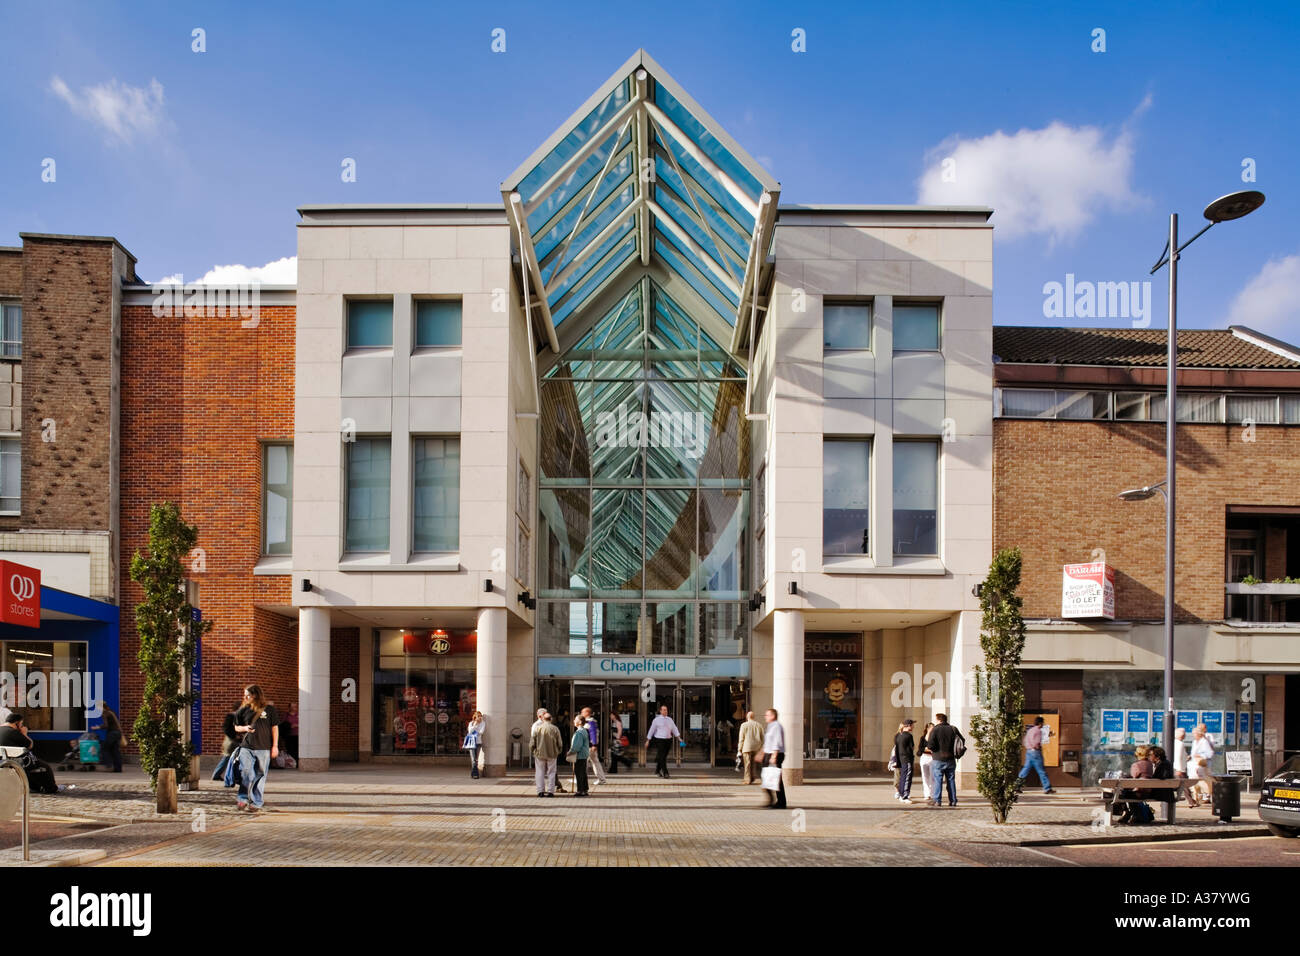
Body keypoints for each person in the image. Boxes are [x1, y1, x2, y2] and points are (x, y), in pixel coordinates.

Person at [232, 684, 279, 812]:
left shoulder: (269, 710)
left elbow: (274, 728)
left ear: (255, 695)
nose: (245, 696)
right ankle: (242, 799)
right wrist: (245, 728)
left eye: (248, 694)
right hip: (246, 747)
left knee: (260, 774)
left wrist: (275, 746)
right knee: (246, 773)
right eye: (244, 694)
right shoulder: (243, 709)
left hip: (264, 748)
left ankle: (256, 802)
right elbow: (236, 727)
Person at [0, 712, 59, 793]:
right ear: (16, 723)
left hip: (3, 762)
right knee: (46, 767)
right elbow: (30, 745)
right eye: (21, 724)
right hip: (17, 763)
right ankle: (50, 788)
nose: (22, 726)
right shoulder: (13, 732)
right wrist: (24, 734)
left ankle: (35, 787)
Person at [926, 713, 963, 807]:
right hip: (951, 758)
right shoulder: (953, 729)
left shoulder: (935, 729)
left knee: (938, 780)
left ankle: (937, 800)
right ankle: (953, 801)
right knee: (951, 780)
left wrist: (935, 750)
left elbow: (930, 745)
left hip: (938, 758)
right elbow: (962, 741)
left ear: (938, 720)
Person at [756, 708, 787, 809]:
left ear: (773, 716)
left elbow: (777, 742)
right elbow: (768, 742)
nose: (765, 716)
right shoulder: (770, 726)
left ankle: (781, 802)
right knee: (766, 777)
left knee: (775, 778)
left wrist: (774, 756)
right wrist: (761, 753)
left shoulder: (777, 726)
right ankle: (771, 800)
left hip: (775, 754)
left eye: (767, 715)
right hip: (768, 754)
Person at [1017, 716, 1055, 794]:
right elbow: (1036, 742)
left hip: (1029, 752)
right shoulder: (1038, 731)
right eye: (1042, 723)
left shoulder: (1030, 730)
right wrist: (1038, 747)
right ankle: (1047, 788)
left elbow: (1025, 741)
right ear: (1040, 723)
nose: (1043, 725)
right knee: (1041, 771)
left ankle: (1017, 786)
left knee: (1025, 770)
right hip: (1036, 753)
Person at [530, 709, 563, 797]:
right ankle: (551, 791)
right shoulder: (555, 728)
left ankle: (540, 791)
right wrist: (558, 751)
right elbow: (560, 743)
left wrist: (534, 751)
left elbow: (532, 742)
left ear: (543, 719)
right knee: (551, 772)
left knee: (539, 772)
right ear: (551, 719)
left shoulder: (537, 728)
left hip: (540, 754)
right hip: (552, 754)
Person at [645, 705, 681, 779]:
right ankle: (665, 772)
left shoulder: (670, 719)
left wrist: (679, 738)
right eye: (664, 710)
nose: (665, 711)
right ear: (660, 711)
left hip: (668, 740)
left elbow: (674, 728)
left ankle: (657, 770)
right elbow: (651, 730)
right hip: (659, 739)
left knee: (663, 756)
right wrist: (648, 740)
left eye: (666, 710)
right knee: (662, 756)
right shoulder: (656, 720)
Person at [92, 701, 124, 773]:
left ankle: (108, 764)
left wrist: (97, 727)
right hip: (117, 733)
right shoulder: (111, 712)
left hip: (112, 734)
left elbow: (106, 725)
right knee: (115, 751)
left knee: (104, 748)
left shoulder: (105, 714)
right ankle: (118, 768)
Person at [579, 707, 606, 786]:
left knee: (584, 762)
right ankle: (601, 779)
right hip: (589, 746)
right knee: (594, 762)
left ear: (587, 713)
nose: (581, 713)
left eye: (582, 712)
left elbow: (593, 734)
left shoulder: (590, 722)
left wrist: (594, 744)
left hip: (589, 746)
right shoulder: (589, 722)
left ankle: (579, 779)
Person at [737, 711, 765, 785]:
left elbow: (741, 738)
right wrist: (761, 747)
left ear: (747, 717)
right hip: (756, 747)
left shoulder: (744, 725)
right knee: (753, 764)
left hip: (747, 747)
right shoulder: (759, 725)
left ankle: (747, 779)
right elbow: (763, 738)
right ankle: (753, 777)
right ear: (754, 717)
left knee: (747, 764)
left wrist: (739, 749)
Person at [894, 719, 916, 803]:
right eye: (912, 725)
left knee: (902, 777)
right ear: (908, 726)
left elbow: (896, 748)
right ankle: (904, 796)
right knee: (907, 777)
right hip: (907, 758)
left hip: (900, 759)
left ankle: (901, 793)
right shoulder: (909, 736)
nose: (913, 727)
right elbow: (912, 747)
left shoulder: (898, 735)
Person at [570, 715, 591, 796]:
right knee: (583, 772)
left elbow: (576, 746)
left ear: (580, 722)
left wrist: (570, 752)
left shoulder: (579, 732)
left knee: (579, 772)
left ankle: (580, 790)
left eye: (575, 719)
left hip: (580, 755)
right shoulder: (584, 731)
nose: (574, 721)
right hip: (584, 754)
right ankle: (585, 789)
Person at [464, 710, 485, 779]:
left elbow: (481, 732)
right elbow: (470, 731)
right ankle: (476, 774)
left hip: (478, 743)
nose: (480, 718)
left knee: (476, 759)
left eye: (480, 716)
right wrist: (475, 725)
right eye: (478, 716)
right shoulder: (471, 723)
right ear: (475, 717)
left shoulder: (483, 723)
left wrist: (475, 730)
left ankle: (473, 774)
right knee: (473, 759)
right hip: (471, 742)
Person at [917, 722, 936, 802]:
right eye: (932, 728)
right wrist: (926, 749)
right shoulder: (923, 738)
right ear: (927, 728)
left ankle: (932, 794)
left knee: (932, 777)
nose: (933, 729)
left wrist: (927, 749)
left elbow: (935, 748)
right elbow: (920, 748)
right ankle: (927, 794)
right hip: (924, 757)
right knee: (925, 776)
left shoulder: (935, 738)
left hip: (932, 758)